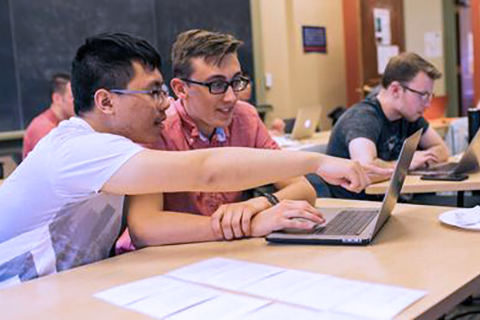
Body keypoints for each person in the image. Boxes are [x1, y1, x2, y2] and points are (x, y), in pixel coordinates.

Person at [0, 32, 383, 286]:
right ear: (105, 101)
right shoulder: (77, 149)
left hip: (67, 290)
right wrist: (313, 163)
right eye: (152, 93)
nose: (164, 104)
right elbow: (207, 171)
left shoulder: (119, 148)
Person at [115, 30, 316, 252]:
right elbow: (145, 227)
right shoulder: (157, 128)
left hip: (222, 250)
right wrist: (246, 225)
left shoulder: (245, 118)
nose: (231, 97)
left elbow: (303, 188)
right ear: (181, 88)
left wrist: (257, 204)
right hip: (159, 257)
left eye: (236, 81)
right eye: (216, 85)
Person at [325, 52, 449, 199]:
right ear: (395, 90)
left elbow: (442, 150)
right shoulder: (362, 118)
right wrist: (406, 163)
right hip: (363, 211)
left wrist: (416, 161)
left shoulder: (409, 115)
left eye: (430, 96)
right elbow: (366, 170)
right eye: (422, 95)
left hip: (395, 204)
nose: (428, 103)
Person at [22, 73, 74, 158]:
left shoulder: (67, 124)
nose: (78, 101)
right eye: (72, 97)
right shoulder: (42, 128)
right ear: (57, 98)